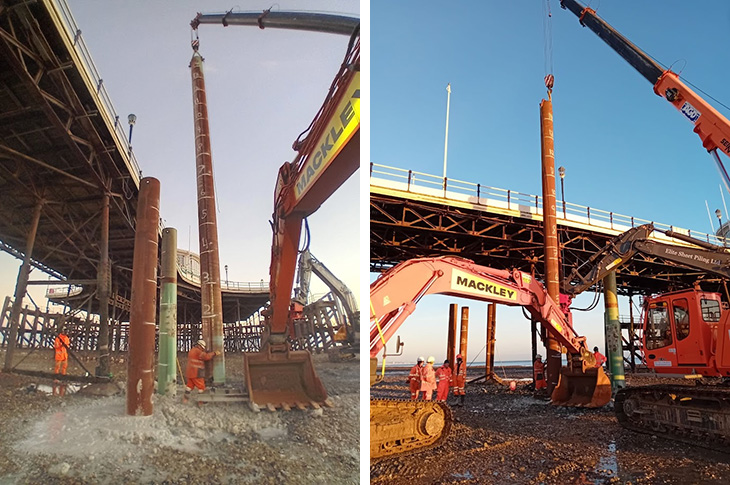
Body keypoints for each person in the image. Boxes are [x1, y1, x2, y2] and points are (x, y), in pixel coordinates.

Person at [183, 339, 221, 404]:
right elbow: (206, 357)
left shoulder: (192, 350)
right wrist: (214, 353)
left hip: (190, 372)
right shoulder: (198, 351)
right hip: (196, 373)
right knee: (201, 387)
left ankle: (185, 400)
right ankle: (201, 401)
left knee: (189, 387)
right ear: (201, 346)